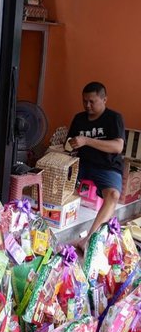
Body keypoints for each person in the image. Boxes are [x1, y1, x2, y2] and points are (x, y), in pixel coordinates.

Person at [66, 81, 125, 249]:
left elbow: (118, 147)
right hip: (81, 164)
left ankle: (89, 239)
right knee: (58, 180)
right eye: (84, 101)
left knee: (113, 195)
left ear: (104, 99)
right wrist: (71, 144)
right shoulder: (79, 118)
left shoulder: (114, 118)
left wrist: (86, 140)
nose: (87, 105)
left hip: (107, 166)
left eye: (92, 101)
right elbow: (69, 144)